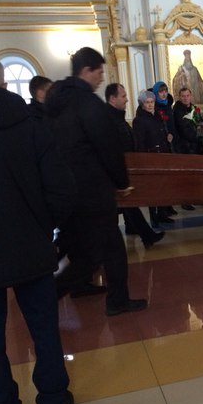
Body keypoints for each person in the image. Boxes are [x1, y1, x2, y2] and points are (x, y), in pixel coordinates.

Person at [0, 59, 75, 404]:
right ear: (1, 80)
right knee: (44, 329)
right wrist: (46, 229)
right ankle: (52, 403)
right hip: (31, 243)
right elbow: (60, 188)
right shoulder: (30, 125)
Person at [45, 47, 147, 316]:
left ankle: (73, 290)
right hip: (92, 190)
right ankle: (115, 300)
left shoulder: (55, 102)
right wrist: (122, 181)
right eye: (99, 72)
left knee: (82, 250)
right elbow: (108, 148)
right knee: (108, 249)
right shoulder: (88, 104)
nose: (102, 78)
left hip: (65, 190)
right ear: (86, 70)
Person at [105, 83, 165, 248]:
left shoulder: (117, 117)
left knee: (129, 205)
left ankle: (138, 231)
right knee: (124, 206)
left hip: (125, 167)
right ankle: (145, 236)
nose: (127, 99)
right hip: (117, 170)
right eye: (123, 96)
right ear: (112, 99)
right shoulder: (109, 120)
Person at [133, 89, 175, 225]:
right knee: (152, 189)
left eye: (152, 102)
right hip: (150, 157)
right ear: (142, 104)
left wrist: (167, 136)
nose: (150, 105)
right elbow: (140, 142)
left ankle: (162, 213)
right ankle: (154, 216)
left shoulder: (157, 116)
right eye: (147, 102)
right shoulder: (139, 120)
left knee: (163, 186)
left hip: (162, 154)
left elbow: (161, 132)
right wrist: (143, 160)